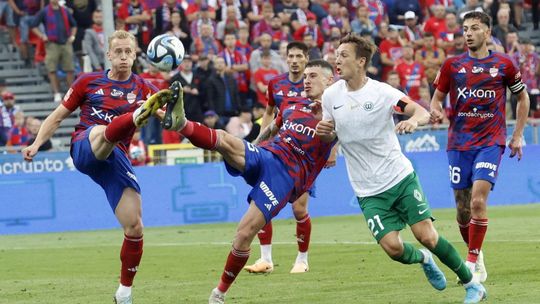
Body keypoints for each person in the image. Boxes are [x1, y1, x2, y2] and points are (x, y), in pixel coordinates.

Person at [316, 33, 488, 304]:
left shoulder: (382, 92)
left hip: (399, 177)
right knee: (393, 249)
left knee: (427, 236)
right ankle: (423, 259)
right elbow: (330, 135)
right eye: (336, 55)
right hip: (367, 189)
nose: (337, 60)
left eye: (344, 55)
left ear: (361, 61)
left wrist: (413, 122)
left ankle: (471, 284)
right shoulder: (330, 96)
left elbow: (419, 111)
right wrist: (324, 132)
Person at [159, 60, 337, 304]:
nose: (306, 80)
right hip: (267, 154)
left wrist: (332, 130)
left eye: (313, 75)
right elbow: (272, 130)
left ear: (329, 80)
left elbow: (340, 135)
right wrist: (255, 144)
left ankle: (219, 294)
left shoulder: (337, 112)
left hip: (286, 177)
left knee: (243, 234)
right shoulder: (291, 103)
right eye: (305, 76)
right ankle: (182, 124)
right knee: (224, 138)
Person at [21, 30, 172, 304]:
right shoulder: (88, 82)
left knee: (135, 226)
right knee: (101, 132)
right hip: (85, 146)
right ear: (109, 55)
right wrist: (36, 143)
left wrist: (175, 114)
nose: (124, 57)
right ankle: (132, 118)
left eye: (129, 52)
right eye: (119, 52)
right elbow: (56, 117)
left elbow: (171, 121)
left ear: (136, 55)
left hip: (115, 159)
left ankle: (124, 293)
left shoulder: (145, 89)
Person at [430, 11, 530, 285]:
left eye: (474, 28)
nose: (468, 33)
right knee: (462, 209)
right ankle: (478, 254)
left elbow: (523, 99)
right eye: (465, 29)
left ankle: (471, 261)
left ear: (487, 33)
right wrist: (436, 111)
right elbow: (436, 98)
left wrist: (517, 135)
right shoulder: (452, 65)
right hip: (458, 144)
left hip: (490, 141)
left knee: (477, 201)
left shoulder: (504, 64)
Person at [245, 41, 314, 275]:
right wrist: (262, 143)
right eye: (290, 56)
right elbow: (269, 113)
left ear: (306, 58)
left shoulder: (315, 84)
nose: (294, 60)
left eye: (298, 56)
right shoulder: (276, 84)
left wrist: (332, 150)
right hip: (278, 151)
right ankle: (265, 259)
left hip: (305, 156)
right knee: (264, 202)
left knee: (299, 209)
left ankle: (302, 260)